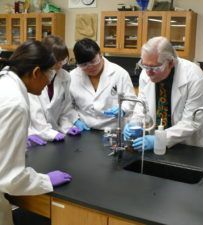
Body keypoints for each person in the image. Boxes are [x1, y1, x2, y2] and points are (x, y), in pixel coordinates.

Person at [0, 40, 71, 225]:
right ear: (36, 72)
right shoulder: (15, 104)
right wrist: (45, 180)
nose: (49, 79)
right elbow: (9, 177)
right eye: (49, 73)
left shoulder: (6, 83)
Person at [124, 36, 203, 151]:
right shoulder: (146, 74)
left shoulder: (194, 77)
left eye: (155, 67)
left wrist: (160, 139)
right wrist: (135, 124)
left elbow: (191, 122)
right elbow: (142, 107)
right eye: (144, 65)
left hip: (194, 143)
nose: (148, 73)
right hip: (162, 140)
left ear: (171, 63)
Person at [27, 35, 86, 146]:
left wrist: (67, 126)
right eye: (56, 61)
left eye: (63, 60)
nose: (60, 65)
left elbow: (65, 108)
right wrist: (46, 133)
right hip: (33, 135)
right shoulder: (34, 76)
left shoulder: (65, 77)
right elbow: (35, 111)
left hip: (55, 135)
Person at [70, 38, 136, 130]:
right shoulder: (72, 77)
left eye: (93, 61)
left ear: (100, 54)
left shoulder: (119, 73)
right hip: (86, 128)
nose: (90, 67)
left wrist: (123, 110)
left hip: (113, 128)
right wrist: (75, 120)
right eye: (84, 65)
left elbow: (131, 99)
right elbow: (68, 105)